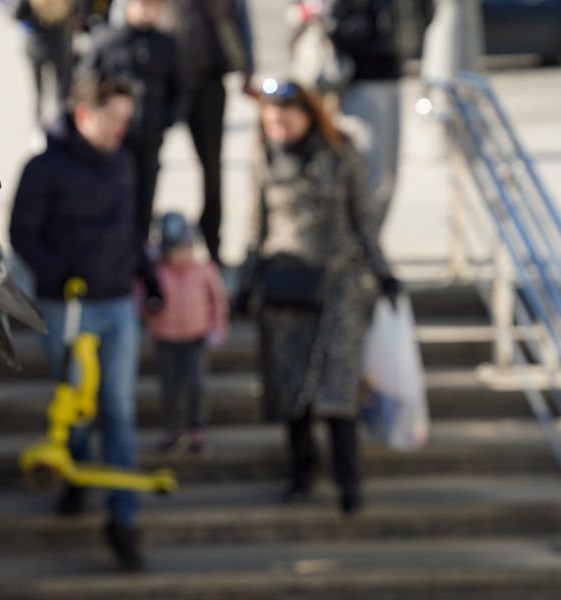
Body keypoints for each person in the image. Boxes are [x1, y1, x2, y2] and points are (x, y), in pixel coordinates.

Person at [10, 77, 162, 571]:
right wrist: (58, 273)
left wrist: (149, 276)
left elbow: (132, 229)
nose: (121, 128)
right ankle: (73, 477)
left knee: (118, 409)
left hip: (118, 303)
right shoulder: (43, 168)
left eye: (125, 118)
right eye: (111, 118)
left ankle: (123, 521)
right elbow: (22, 234)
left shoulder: (123, 161)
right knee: (72, 402)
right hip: (69, 306)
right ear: (82, 115)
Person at [236, 80, 400, 515]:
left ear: (308, 115)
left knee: (337, 388)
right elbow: (256, 222)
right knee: (291, 388)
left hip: (337, 281)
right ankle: (301, 474)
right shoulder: (263, 156)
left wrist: (383, 272)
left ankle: (349, 481)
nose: (279, 129)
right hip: (283, 286)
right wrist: (245, 279)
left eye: (286, 120)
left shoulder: (340, 153)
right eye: (270, 122)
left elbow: (362, 217)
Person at [324, 0, 433, 229]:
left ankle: (370, 244)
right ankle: (359, 245)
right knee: (368, 172)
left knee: (387, 175)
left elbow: (423, 13)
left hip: (393, 75)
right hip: (361, 80)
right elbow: (334, 23)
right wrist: (375, 27)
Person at [79, 0, 183, 241]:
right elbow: (85, 83)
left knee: (143, 202)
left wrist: (165, 119)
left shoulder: (166, 44)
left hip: (149, 138)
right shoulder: (106, 40)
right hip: (111, 143)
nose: (147, 10)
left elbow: (180, 90)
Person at [167, 0, 255, 265]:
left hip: (209, 78)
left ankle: (213, 245)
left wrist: (247, 66)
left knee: (213, 169)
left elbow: (241, 20)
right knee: (145, 165)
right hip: (163, 76)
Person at [146, 212, 228, 454]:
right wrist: (147, 306)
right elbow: (141, 299)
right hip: (164, 337)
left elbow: (218, 301)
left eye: (183, 247)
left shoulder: (204, 269)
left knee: (196, 385)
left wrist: (218, 328)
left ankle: (197, 429)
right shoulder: (155, 271)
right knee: (169, 387)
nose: (179, 254)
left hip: (196, 336)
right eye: (173, 249)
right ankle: (172, 429)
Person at [14, 0, 76, 127]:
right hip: (60, 46)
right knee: (61, 90)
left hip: (37, 46)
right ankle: (61, 121)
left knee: (38, 91)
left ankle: (38, 123)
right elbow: (78, 13)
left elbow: (17, 14)